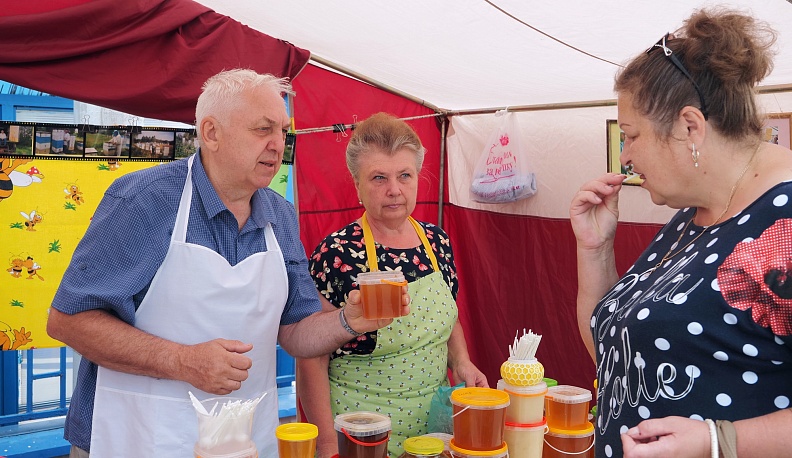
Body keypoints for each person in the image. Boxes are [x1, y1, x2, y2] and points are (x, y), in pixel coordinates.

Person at [46, 69, 408, 458]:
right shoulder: (146, 199)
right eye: (262, 129)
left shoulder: (280, 215)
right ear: (211, 132)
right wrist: (183, 361)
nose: (277, 144)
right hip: (138, 436)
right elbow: (68, 320)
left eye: (283, 131)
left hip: (248, 440)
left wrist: (349, 320)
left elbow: (295, 331)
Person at [570, 9, 792, 458]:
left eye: (630, 136)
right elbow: (618, 360)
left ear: (689, 126)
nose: (625, 157)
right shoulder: (694, 214)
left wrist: (718, 441)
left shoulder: (785, 222)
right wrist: (594, 251)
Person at [298, 112, 487, 458]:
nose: (394, 190)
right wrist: (327, 445)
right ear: (357, 184)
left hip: (433, 435)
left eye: (404, 175)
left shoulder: (436, 241)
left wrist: (462, 362)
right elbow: (311, 358)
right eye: (379, 178)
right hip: (361, 435)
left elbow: (450, 317)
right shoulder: (337, 252)